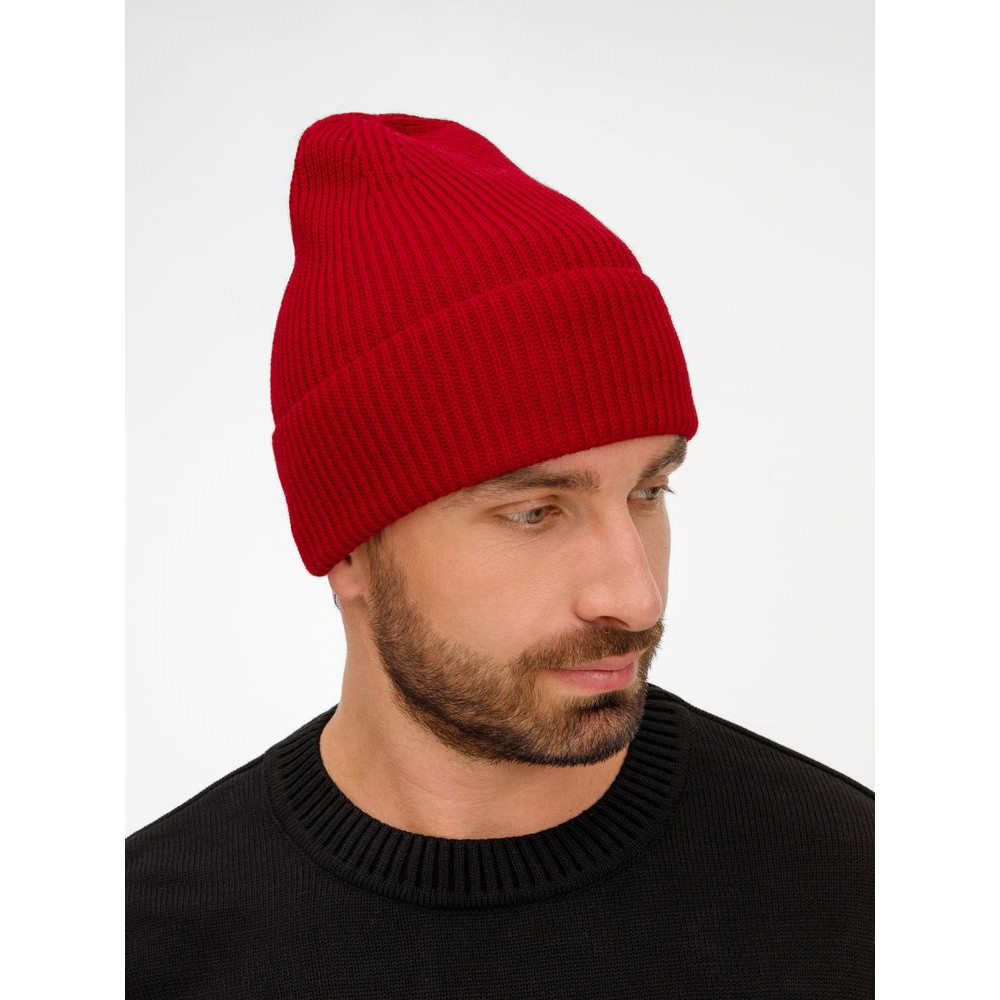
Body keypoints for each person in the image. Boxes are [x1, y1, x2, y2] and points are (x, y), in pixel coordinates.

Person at [126, 112, 874, 999]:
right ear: (349, 546)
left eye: (649, 491)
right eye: (533, 513)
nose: (634, 597)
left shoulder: (859, 897)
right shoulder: (139, 947)